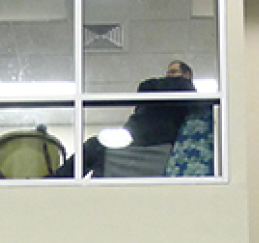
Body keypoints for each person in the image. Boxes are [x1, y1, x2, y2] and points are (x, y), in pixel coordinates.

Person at [53, 60, 198, 178]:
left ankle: (56, 181)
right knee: (96, 153)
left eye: (173, 72)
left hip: (148, 141)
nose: (168, 77)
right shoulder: (166, 95)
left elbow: (145, 86)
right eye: (168, 73)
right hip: (136, 139)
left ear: (186, 75)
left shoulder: (184, 88)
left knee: (94, 146)